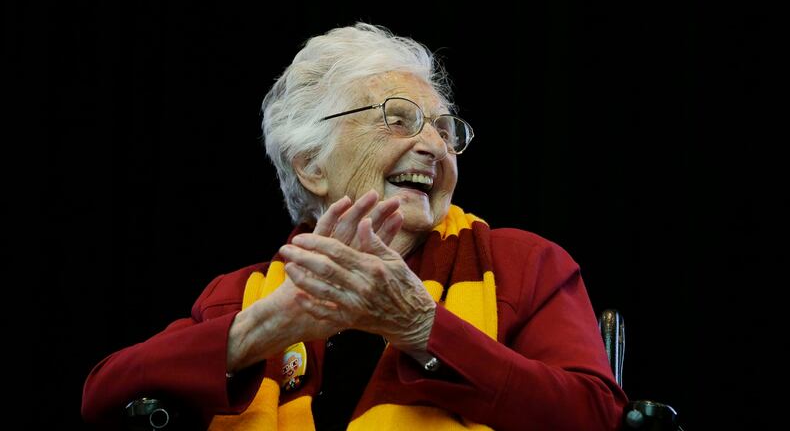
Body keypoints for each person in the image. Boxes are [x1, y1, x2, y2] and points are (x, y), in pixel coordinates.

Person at [82, 22, 628, 431]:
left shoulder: (521, 266)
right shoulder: (244, 295)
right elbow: (102, 396)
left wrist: (424, 328)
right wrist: (257, 332)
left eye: (444, 128)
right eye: (397, 118)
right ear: (311, 165)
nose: (434, 145)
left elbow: (598, 418)